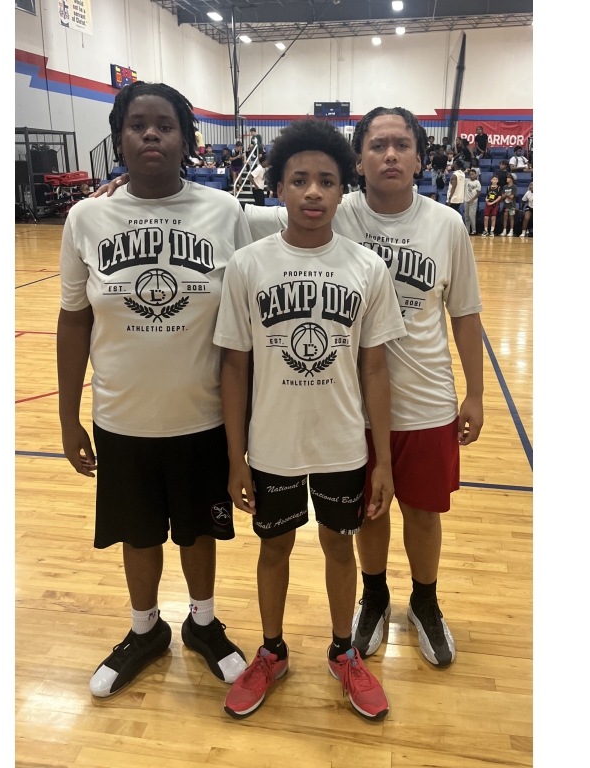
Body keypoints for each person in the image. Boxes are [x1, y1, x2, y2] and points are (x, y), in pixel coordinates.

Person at [91, 105, 486, 671]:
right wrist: (130, 192)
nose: (390, 155)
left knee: (421, 514)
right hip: (342, 411)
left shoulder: (444, 225)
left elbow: (466, 314)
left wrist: (475, 393)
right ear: (359, 161)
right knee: (363, 521)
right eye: (378, 145)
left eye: (402, 144)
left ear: (421, 158)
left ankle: (424, 601)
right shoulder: (330, 207)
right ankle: (371, 601)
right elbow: (239, 210)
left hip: (422, 399)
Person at [57, 81, 251, 700]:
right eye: (136, 124)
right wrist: (67, 417)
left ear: (186, 139)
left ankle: (202, 624)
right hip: (121, 416)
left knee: (198, 531)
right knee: (137, 533)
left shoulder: (225, 212)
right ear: (118, 137)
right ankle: (145, 631)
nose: (150, 134)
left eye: (164, 125)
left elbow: (247, 318)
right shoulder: (86, 218)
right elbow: (73, 321)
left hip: (203, 416)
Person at [216, 119, 404, 721]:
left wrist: (384, 462)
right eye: (299, 180)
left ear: (344, 188)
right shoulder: (248, 265)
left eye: (327, 180)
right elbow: (234, 367)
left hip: (342, 443)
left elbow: (376, 369)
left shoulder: (367, 267)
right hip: (272, 442)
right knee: (273, 548)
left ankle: (343, 652)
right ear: (278, 187)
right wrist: (235, 457)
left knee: (338, 546)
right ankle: (271, 651)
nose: (314, 192)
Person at [463, 167, 481, 235]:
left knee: (471, 215)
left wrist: (472, 199)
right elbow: (460, 177)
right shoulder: (466, 180)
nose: (471, 176)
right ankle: (467, 230)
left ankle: (474, 230)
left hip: (473, 201)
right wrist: (465, 171)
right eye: (470, 174)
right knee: (466, 216)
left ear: (475, 175)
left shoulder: (477, 182)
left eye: (473, 174)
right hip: (466, 200)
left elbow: (478, 193)